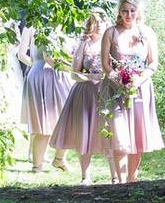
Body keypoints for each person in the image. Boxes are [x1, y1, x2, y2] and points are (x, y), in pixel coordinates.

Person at [100, 0, 164, 183]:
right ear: (119, 11)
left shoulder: (147, 33)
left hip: (140, 89)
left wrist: (137, 81)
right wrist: (119, 82)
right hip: (114, 89)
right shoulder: (110, 32)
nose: (128, 15)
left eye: (132, 11)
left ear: (139, 11)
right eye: (125, 11)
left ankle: (131, 181)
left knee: (137, 136)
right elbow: (106, 65)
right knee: (119, 135)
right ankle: (120, 182)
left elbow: (152, 63)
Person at [49, 10, 118, 185]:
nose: (101, 24)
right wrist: (89, 76)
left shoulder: (111, 41)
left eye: (103, 20)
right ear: (91, 24)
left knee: (110, 132)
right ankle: (85, 176)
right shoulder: (84, 44)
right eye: (97, 21)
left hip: (106, 91)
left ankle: (115, 176)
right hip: (86, 93)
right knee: (85, 133)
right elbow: (74, 73)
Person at [18, 26, 71, 172]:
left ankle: (57, 159)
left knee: (65, 118)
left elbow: (21, 55)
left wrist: (35, 65)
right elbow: (49, 58)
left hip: (41, 73)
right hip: (48, 74)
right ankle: (39, 165)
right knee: (46, 123)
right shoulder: (48, 26)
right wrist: (72, 68)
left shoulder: (32, 26)